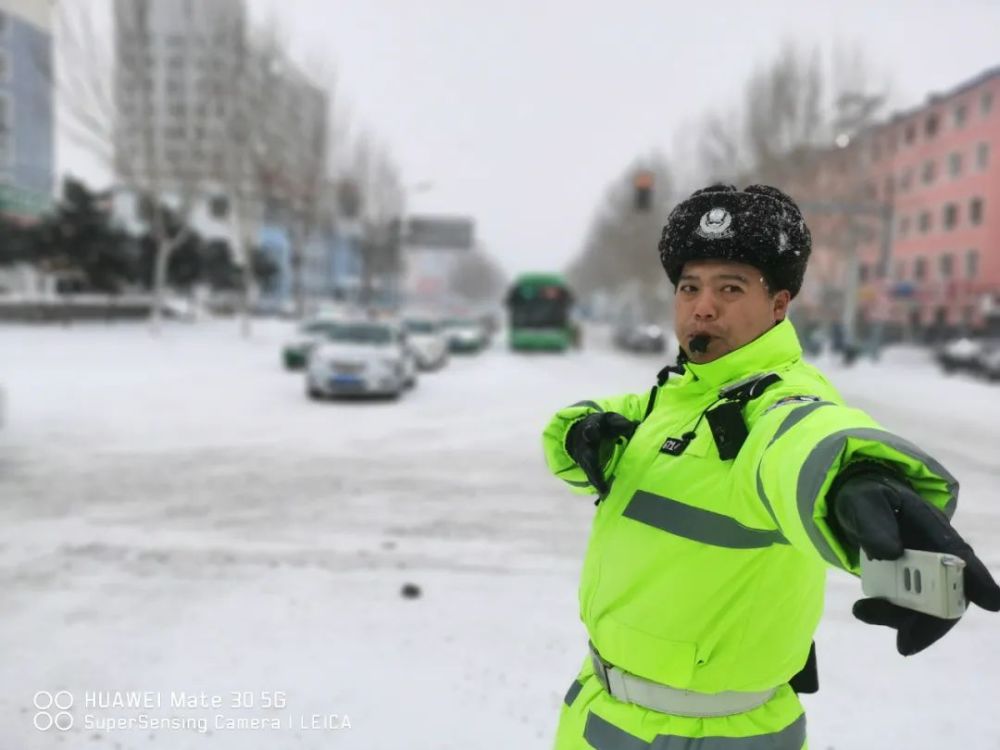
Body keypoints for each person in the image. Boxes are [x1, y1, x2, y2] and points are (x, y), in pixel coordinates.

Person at [541, 184, 999, 749]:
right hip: (601, 716)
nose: (702, 306)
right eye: (689, 287)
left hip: (712, 736)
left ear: (779, 305)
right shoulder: (676, 396)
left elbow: (800, 439)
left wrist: (848, 481)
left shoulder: (776, 401)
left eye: (729, 288)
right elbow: (582, 427)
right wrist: (579, 432)